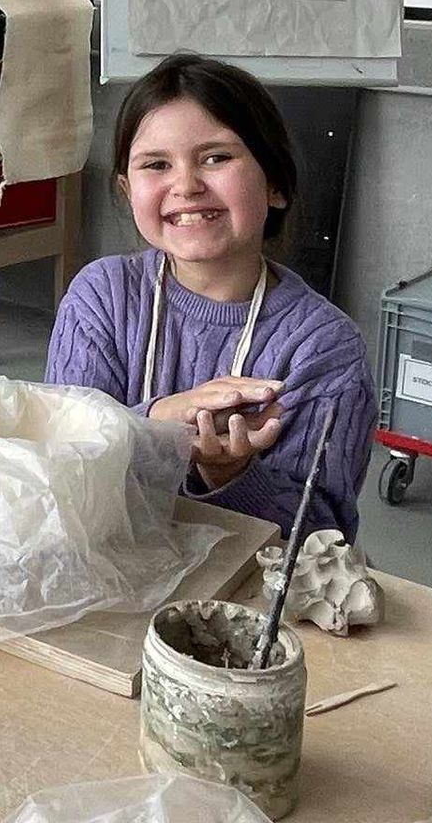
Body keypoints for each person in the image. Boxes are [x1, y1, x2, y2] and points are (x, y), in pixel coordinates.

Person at [46, 53, 375, 539]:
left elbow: (322, 536)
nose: (186, 185)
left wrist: (231, 475)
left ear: (275, 184)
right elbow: (56, 461)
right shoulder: (101, 298)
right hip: (102, 558)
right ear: (127, 191)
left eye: (216, 158)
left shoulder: (324, 348)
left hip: (243, 581)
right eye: (157, 164)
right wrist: (159, 420)